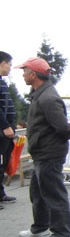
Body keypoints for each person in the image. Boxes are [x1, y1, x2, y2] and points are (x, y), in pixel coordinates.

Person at [16, 57, 70, 237]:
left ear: (33, 74)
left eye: (25, 71)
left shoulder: (48, 97)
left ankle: (61, 233)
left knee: (53, 193)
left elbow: (61, 126)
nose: (23, 75)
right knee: (37, 192)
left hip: (50, 153)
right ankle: (40, 227)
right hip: (41, 152)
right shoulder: (39, 94)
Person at [0, 51, 16, 207]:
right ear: (3, 63)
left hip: (6, 131)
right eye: (9, 64)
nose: (10, 68)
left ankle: (0, 193)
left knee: (3, 163)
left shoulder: (2, 82)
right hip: (2, 130)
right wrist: (5, 126)